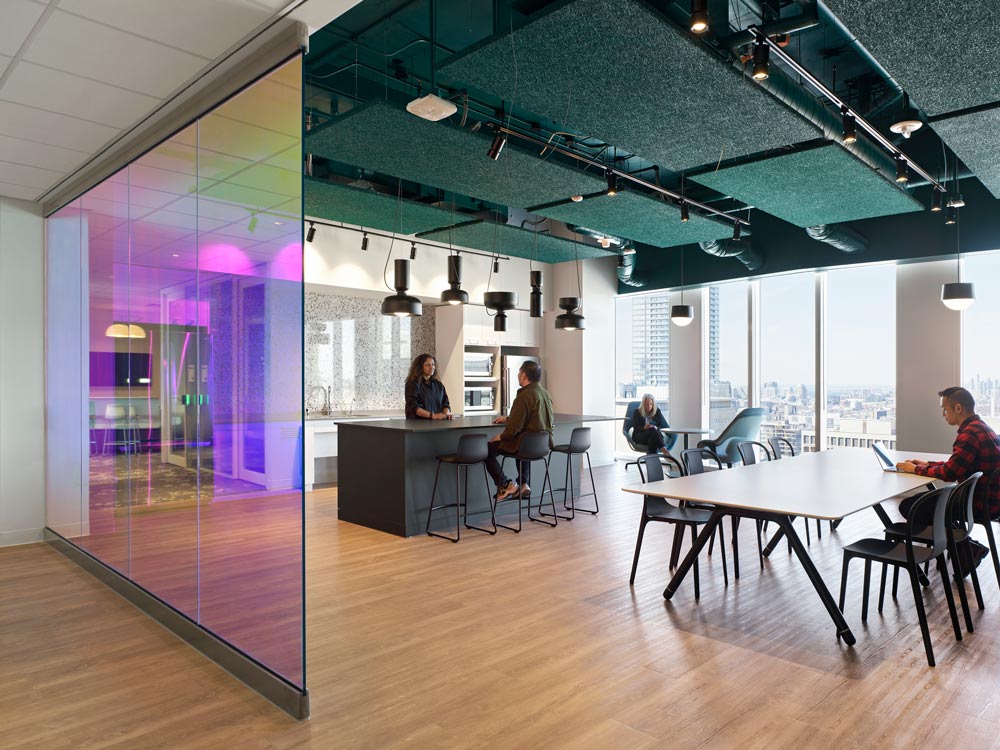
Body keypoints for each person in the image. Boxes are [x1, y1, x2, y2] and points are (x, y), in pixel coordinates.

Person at [896, 387, 1000, 564]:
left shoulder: (969, 435)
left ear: (958, 408)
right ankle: (966, 549)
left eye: (944, 409)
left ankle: (966, 549)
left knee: (911, 507)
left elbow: (949, 473)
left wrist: (914, 469)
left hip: (977, 503)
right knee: (927, 505)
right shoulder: (982, 428)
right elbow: (958, 465)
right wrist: (927, 465)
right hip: (988, 500)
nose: (943, 414)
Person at [486, 360, 553, 501]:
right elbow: (532, 419)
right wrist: (508, 418)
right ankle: (523, 484)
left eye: (519, 372)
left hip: (524, 446)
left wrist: (501, 437)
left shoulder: (524, 396)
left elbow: (513, 429)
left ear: (523, 375)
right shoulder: (545, 394)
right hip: (541, 446)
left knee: (487, 450)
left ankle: (505, 485)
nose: (517, 375)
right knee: (523, 445)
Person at [404, 353, 452, 420]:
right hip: (418, 424)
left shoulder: (438, 385)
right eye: (428, 365)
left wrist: (446, 414)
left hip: (437, 424)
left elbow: (445, 403)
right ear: (420, 367)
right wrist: (432, 416)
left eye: (433, 364)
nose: (431, 367)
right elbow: (413, 407)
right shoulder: (412, 384)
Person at [630, 393, 672, 459]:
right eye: (647, 404)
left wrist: (656, 427)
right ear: (643, 404)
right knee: (652, 430)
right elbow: (636, 427)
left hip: (653, 435)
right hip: (640, 436)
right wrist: (645, 427)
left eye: (651, 404)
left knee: (652, 438)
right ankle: (663, 449)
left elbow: (661, 426)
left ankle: (653, 464)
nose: (649, 406)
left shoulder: (657, 412)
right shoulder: (637, 412)